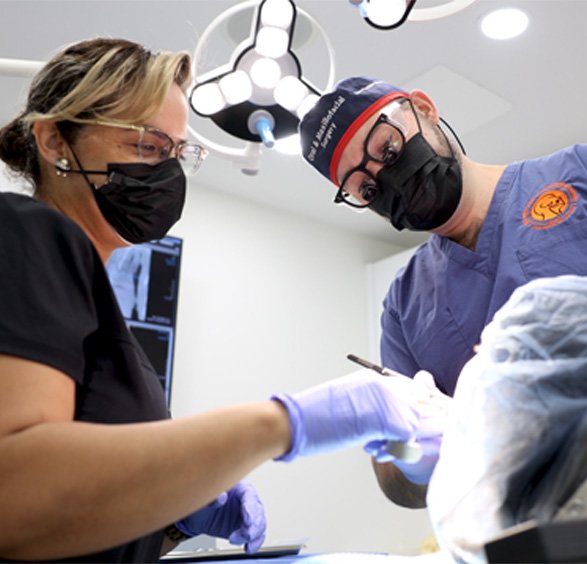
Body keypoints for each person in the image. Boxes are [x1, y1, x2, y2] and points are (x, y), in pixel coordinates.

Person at [0, 40, 447, 563]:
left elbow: (73, 525)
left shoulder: (107, 325)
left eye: (178, 152)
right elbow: (15, 496)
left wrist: (172, 516)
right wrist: (284, 422)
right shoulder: (29, 231)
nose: (166, 172)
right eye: (146, 146)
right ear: (54, 139)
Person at [299, 76, 587, 508]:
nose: (390, 179)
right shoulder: (403, 305)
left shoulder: (576, 173)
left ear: (425, 109)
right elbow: (400, 485)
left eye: (388, 150)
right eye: (368, 189)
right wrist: (413, 448)